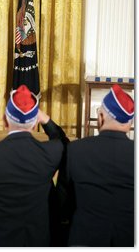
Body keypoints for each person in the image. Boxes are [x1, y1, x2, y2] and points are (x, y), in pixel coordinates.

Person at [0, 84, 69, 247]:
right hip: (37, 240)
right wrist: (45, 119)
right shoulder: (50, 153)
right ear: (35, 124)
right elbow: (64, 144)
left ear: (5, 121)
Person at [62, 84, 134, 247]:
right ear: (129, 124)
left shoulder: (76, 150)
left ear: (100, 117)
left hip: (85, 240)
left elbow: (65, 200)